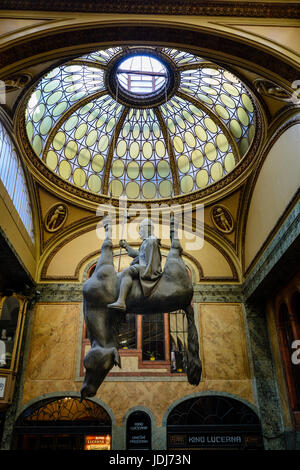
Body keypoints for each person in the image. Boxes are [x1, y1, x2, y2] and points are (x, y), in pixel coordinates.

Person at [108, 218, 162, 311]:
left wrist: (138, 267)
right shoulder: (147, 241)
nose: (139, 232)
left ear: (147, 228)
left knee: (127, 272)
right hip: (145, 266)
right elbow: (139, 256)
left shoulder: (151, 241)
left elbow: (151, 262)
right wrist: (126, 246)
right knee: (120, 275)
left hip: (149, 269)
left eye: (140, 228)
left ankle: (121, 301)